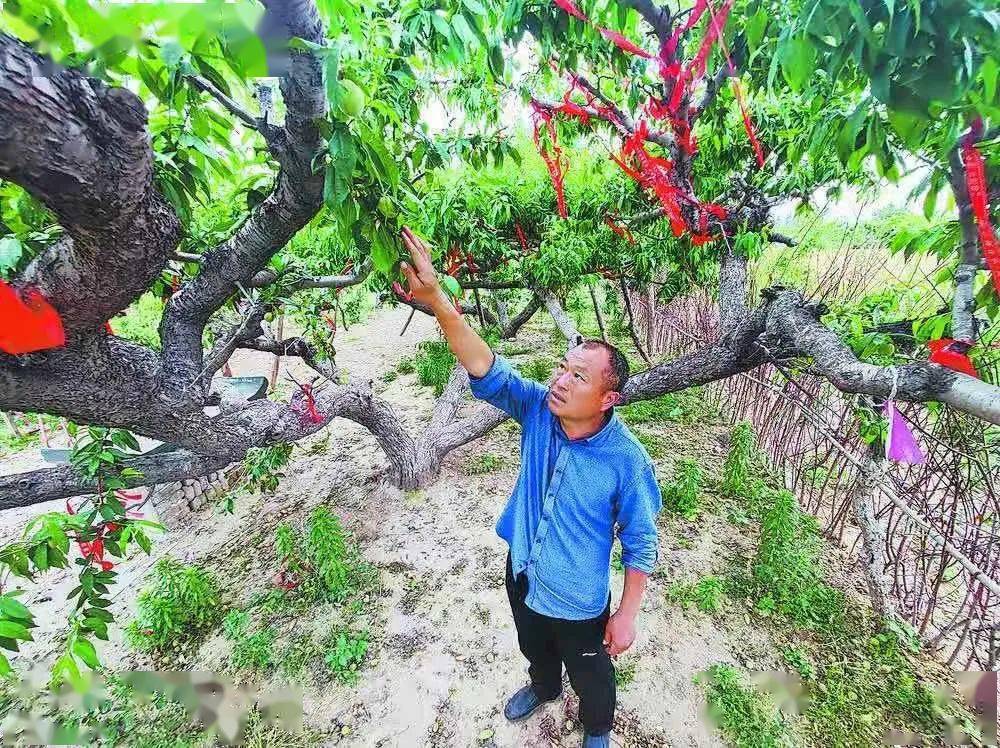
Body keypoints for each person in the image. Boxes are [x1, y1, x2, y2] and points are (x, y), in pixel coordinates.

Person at [399, 227, 661, 748]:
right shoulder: (538, 409)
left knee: (592, 678)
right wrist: (438, 302)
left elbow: (641, 543)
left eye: (579, 377)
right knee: (534, 648)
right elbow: (484, 366)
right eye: (564, 368)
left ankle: (597, 730)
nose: (561, 381)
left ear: (607, 399)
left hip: (579, 602)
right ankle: (543, 688)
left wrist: (627, 613)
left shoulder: (627, 462)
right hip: (522, 570)